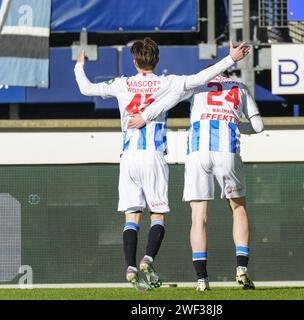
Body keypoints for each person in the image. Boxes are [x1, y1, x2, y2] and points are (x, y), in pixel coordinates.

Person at [74, 37, 250, 290]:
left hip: (129, 157)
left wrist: (79, 65)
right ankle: (148, 259)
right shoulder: (168, 83)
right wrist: (230, 59)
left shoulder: (122, 84)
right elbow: (202, 78)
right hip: (154, 156)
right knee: (157, 215)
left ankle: (130, 267)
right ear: (157, 60)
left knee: (131, 216)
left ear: (134, 61)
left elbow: (86, 89)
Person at [128, 70, 263, 291]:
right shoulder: (240, 87)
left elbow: (169, 98)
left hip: (197, 152)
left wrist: (145, 115)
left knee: (198, 216)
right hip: (227, 151)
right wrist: (235, 126)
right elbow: (258, 127)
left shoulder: (197, 84)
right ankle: (242, 269)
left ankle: (202, 279)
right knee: (238, 210)